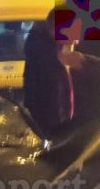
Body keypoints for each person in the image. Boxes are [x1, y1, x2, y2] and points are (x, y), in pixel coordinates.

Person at [23, 8, 75, 137]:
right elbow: (52, 102)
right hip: (52, 131)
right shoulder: (45, 59)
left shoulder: (52, 49)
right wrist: (60, 133)